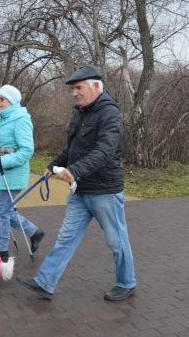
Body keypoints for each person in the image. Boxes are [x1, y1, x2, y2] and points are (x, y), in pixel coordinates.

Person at [16, 66, 137, 301]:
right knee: (66, 238)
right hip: (80, 191)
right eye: (73, 88)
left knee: (116, 241)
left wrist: (75, 170)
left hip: (104, 191)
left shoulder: (109, 114)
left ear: (96, 86)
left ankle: (126, 282)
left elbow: (105, 150)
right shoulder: (80, 113)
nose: (75, 93)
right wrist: (54, 165)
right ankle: (44, 283)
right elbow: (73, 149)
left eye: (79, 88)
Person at [0, 85, 45, 263]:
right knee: (5, 211)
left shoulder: (20, 119)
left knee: (0, 211)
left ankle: (1, 250)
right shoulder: (2, 119)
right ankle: (34, 232)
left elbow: (26, 151)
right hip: (2, 173)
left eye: (2, 99)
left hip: (14, 175)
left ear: (12, 101)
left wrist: (4, 162)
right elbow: (0, 151)